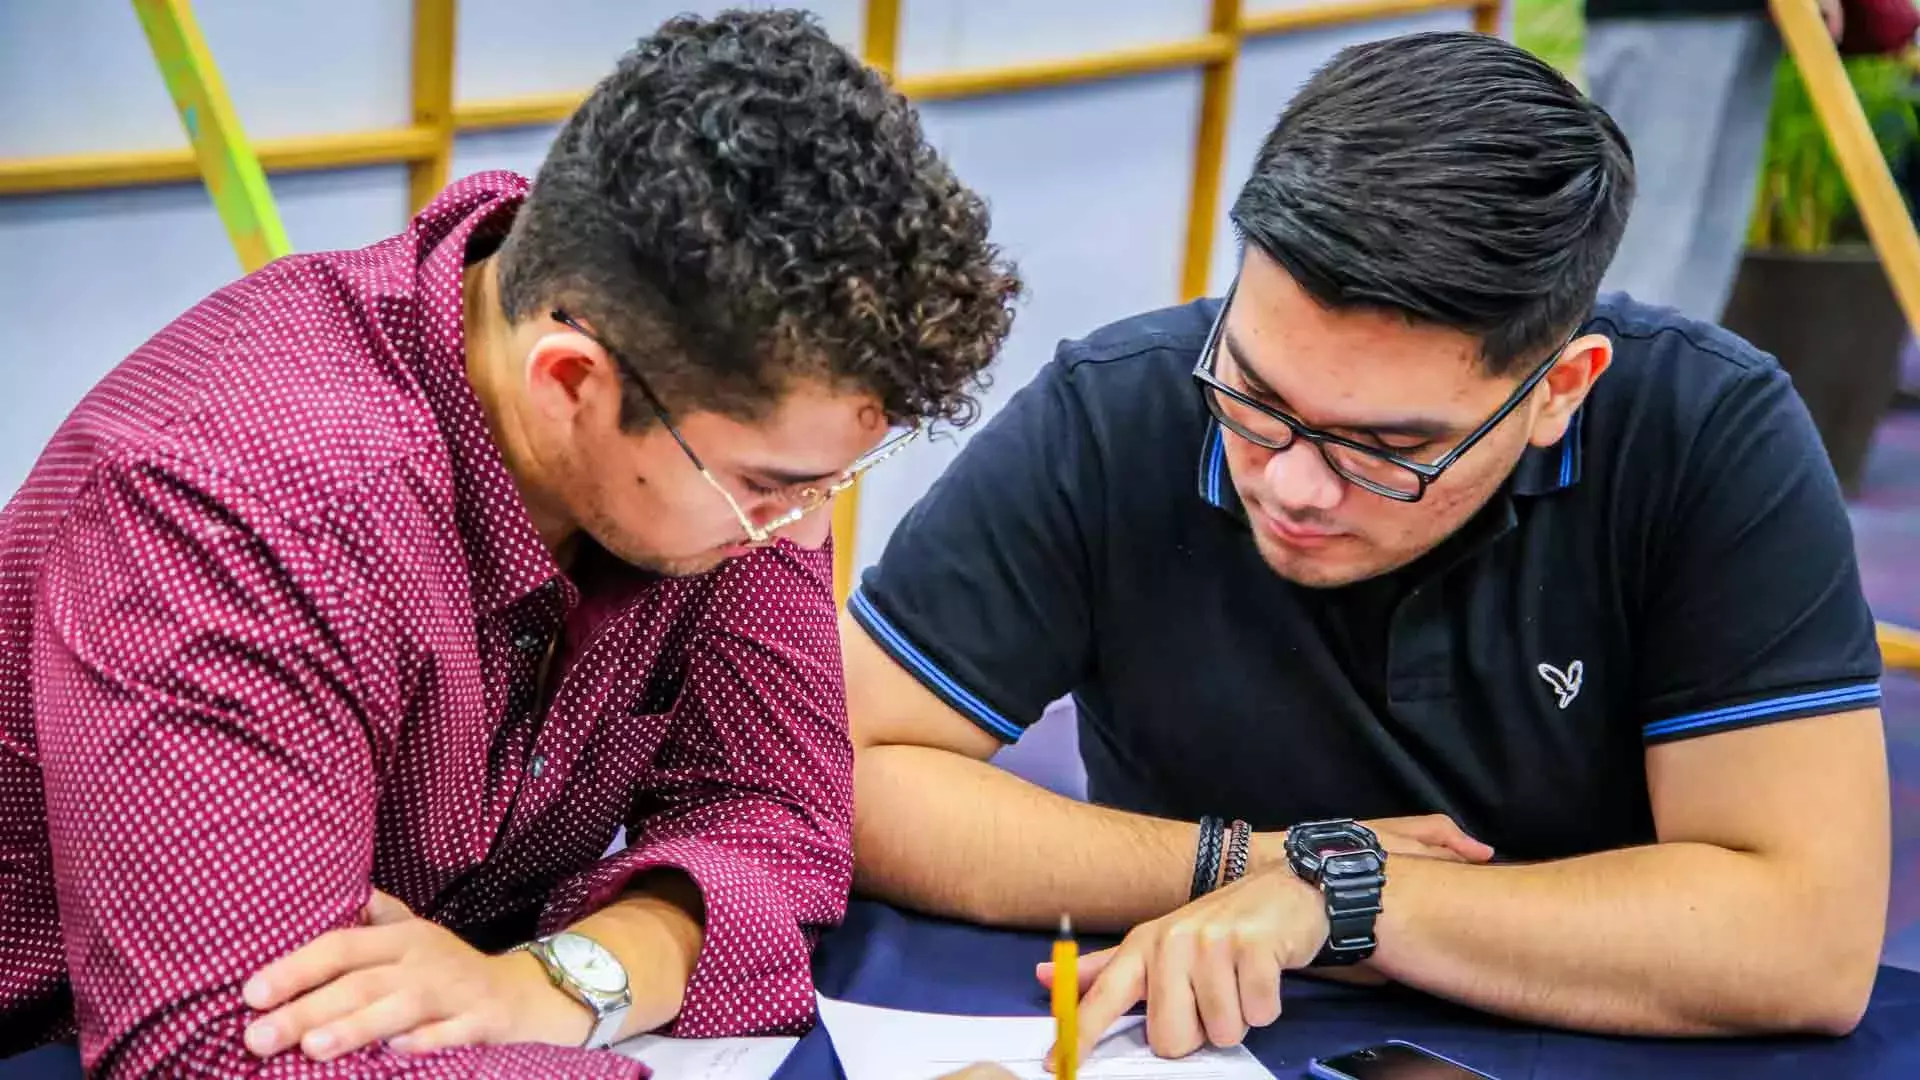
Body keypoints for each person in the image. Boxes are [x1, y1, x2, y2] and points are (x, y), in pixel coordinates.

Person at [842, 29, 1890, 1067]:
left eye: (1390, 448)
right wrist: (1244, 866)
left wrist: (1345, 900)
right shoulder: (1120, 409)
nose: (1293, 484)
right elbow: (839, 771)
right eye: (1255, 397)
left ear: (1558, 392)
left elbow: (1806, 940)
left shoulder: (1706, 434)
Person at [0, 10, 1019, 1076]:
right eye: (768, 489)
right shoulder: (244, 501)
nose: (803, 533)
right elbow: (219, 1053)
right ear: (570, 383)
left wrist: (563, 980)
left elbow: (778, 818)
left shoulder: (695, 404)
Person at [1582, 0, 1844, 323]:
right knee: (1639, 248)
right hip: (1665, 17)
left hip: (1749, 16)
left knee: (1702, 262)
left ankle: (1667, 370)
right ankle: (1609, 368)